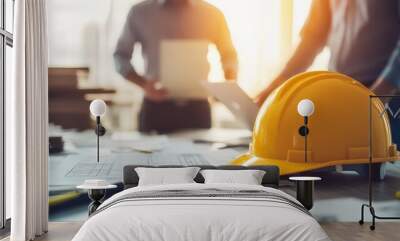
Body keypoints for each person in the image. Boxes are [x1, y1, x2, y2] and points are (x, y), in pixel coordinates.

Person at [256, 0, 400, 143]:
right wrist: (276, 88)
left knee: (384, 159)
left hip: (387, 100)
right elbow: (313, 36)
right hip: (340, 97)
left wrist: (376, 97)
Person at [114, 0, 237, 134]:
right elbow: (120, 56)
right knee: (150, 154)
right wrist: (143, 84)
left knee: (200, 154)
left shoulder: (212, 14)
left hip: (197, 109)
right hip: (156, 108)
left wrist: (227, 86)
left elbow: (229, 55)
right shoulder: (139, 12)